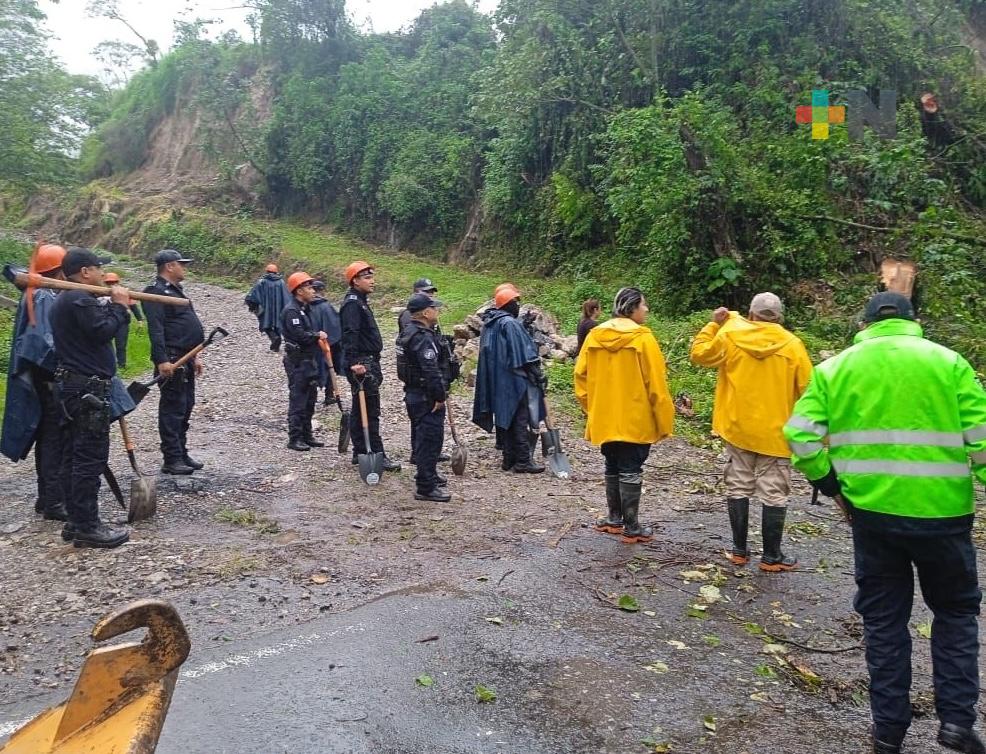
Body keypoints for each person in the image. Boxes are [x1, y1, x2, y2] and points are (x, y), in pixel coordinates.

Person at [784, 292, 986, 754]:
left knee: (884, 621)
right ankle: (956, 721)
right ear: (915, 321)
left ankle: (887, 732)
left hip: (872, 518)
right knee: (955, 612)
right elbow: (982, 442)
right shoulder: (950, 363)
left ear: (864, 323)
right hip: (944, 517)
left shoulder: (837, 368)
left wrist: (833, 488)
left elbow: (800, 435)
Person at [690, 292, 812, 572]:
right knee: (774, 493)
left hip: (738, 428)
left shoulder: (731, 334)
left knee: (738, 486)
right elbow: (809, 391)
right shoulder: (793, 346)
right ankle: (771, 557)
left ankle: (739, 551)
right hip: (776, 434)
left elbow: (699, 354)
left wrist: (713, 325)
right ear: (779, 317)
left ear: (751, 313)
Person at [574, 287, 674, 543]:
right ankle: (631, 526)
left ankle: (614, 518)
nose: (647, 310)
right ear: (631, 308)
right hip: (635, 417)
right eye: (644, 305)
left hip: (605, 416)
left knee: (612, 464)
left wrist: (592, 408)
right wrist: (663, 421)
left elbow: (580, 376)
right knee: (631, 467)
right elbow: (657, 386)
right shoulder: (643, 339)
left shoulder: (595, 335)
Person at [49, 247, 131, 548]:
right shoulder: (77, 298)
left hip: (73, 387)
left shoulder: (67, 299)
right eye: (98, 269)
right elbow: (102, 331)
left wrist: (108, 304)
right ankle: (87, 525)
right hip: (86, 391)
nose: (101, 274)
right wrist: (120, 307)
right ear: (85, 272)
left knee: (73, 456)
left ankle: (75, 519)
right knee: (88, 459)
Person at [1, 243, 68, 520]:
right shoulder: (43, 297)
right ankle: (53, 501)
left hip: (44, 383)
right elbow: (40, 344)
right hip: (48, 384)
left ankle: (47, 497)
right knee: (53, 441)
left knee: (49, 440)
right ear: (59, 272)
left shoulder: (39, 294)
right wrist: (66, 367)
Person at [142, 249, 205, 475]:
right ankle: (171, 457)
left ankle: (181, 451)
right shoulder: (155, 293)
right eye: (181, 264)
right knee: (173, 408)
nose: (184, 268)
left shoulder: (176, 291)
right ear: (169, 266)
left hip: (186, 357)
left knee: (186, 405)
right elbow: (156, 330)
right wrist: (161, 361)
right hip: (172, 358)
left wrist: (196, 355)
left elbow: (187, 324)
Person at [472, 284, 546, 474]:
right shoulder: (509, 324)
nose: (517, 306)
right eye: (514, 302)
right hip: (513, 379)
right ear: (507, 304)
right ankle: (522, 460)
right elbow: (522, 352)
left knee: (505, 418)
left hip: (497, 380)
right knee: (519, 418)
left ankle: (508, 458)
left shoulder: (490, 323)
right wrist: (536, 373)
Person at [339, 260, 400, 471]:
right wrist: (354, 363)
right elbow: (349, 336)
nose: (372, 281)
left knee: (360, 407)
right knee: (370, 410)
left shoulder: (360, 301)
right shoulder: (353, 304)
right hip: (362, 363)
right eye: (367, 277)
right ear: (355, 280)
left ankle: (360, 451)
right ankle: (375, 453)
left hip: (369, 360)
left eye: (371, 276)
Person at [398, 293, 452, 502]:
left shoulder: (408, 332)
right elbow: (430, 370)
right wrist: (439, 396)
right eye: (434, 308)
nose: (437, 312)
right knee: (430, 439)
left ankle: (428, 476)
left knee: (423, 437)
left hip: (414, 392)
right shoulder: (422, 337)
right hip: (424, 396)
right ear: (426, 312)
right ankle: (426, 486)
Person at [281, 272, 328, 451]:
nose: (313, 291)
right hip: (298, 361)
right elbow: (300, 335)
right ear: (299, 291)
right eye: (309, 288)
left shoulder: (304, 308)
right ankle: (295, 437)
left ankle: (307, 434)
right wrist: (317, 335)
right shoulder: (292, 311)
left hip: (309, 360)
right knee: (298, 399)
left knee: (310, 399)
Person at [308, 280, 343, 403]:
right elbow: (335, 324)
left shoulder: (303, 306)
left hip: (309, 345)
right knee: (329, 366)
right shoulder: (326, 306)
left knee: (310, 369)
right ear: (322, 290)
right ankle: (329, 395)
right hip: (326, 344)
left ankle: (310, 397)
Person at [102, 272, 143, 370]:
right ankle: (107, 365)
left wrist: (140, 320)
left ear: (118, 282)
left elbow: (133, 306)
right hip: (107, 321)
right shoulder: (101, 293)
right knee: (105, 344)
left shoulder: (123, 293)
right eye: (109, 282)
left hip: (122, 323)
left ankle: (121, 365)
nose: (111, 284)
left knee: (121, 345)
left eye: (114, 282)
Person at [245, 263, 289, 352]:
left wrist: (252, 306)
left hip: (266, 308)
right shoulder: (281, 282)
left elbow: (253, 295)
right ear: (276, 272)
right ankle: (277, 342)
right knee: (278, 324)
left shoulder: (262, 282)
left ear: (267, 271)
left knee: (266, 324)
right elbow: (286, 296)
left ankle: (274, 338)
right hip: (279, 308)